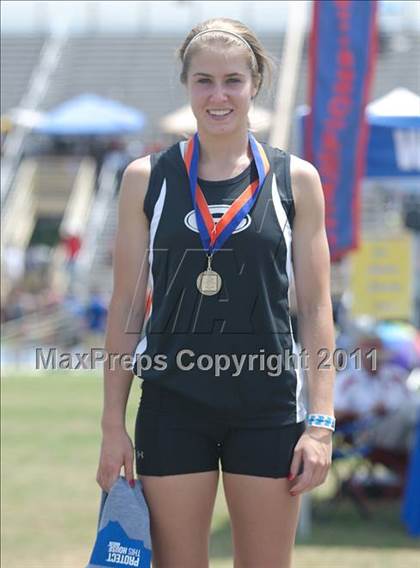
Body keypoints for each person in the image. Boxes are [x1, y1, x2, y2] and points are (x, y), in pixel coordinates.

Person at [96, 18, 336, 568]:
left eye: (233, 79)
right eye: (204, 80)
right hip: (172, 406)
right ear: (186, 85)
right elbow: (128, 309)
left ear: (255, 85)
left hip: (269, 408)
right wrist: (113, 425)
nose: (219, 95)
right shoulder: (146, 178)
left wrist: (320, 423)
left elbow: (317, 309)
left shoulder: (295, 179)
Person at [334, 331, 418, 454]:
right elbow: (334, 413)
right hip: (365, 431)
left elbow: (413, 402)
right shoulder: (347, 381)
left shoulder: (395, 376)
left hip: (403, 428)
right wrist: (367, 411)